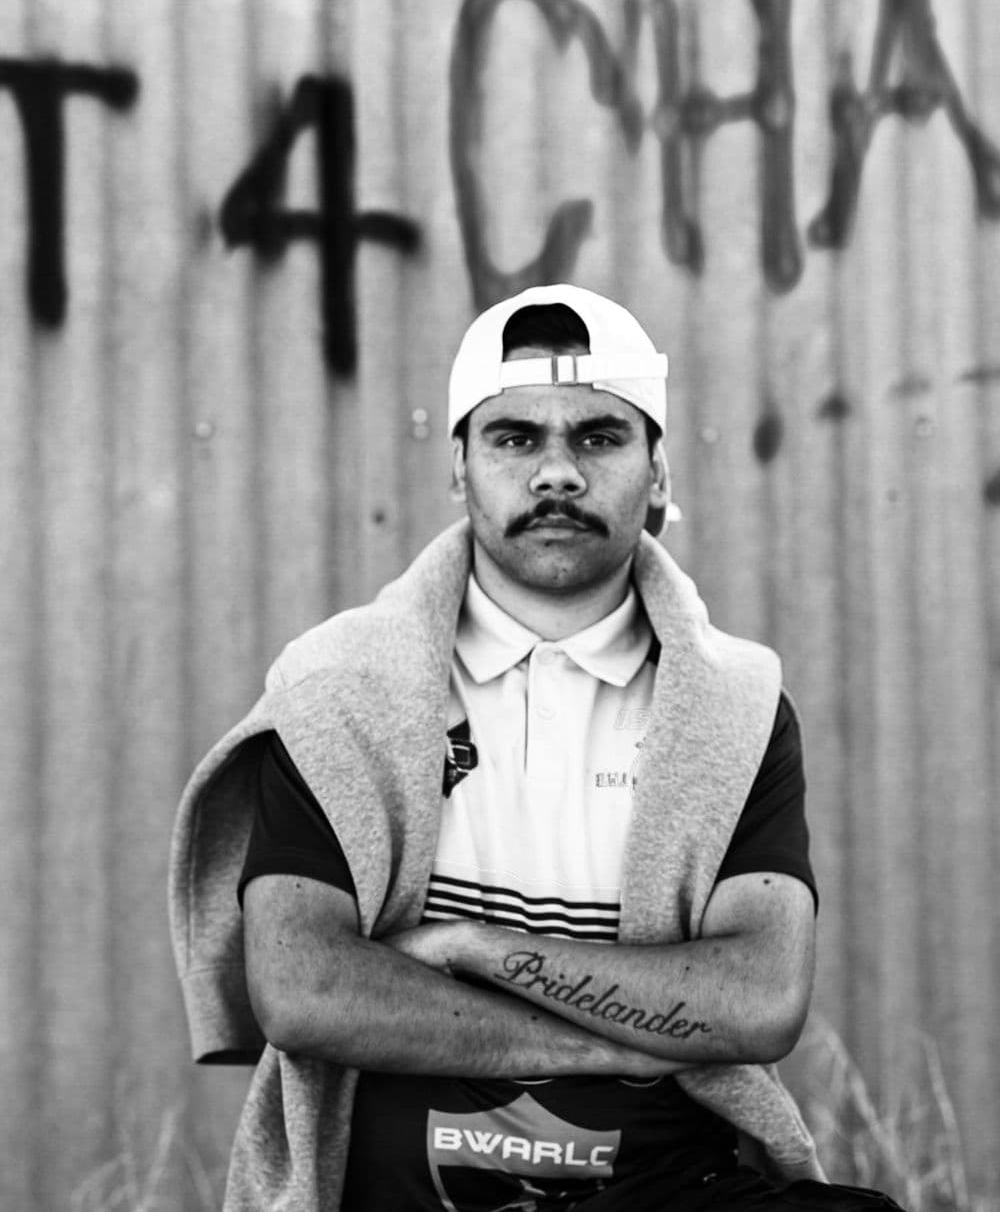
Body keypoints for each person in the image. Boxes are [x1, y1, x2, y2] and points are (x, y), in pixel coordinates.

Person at [169, 284, 903, 1211]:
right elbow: (304, 988)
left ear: (660, 474)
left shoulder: (737, 704)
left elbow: (758, 1000)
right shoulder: (337, 687)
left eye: (598, 437)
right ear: (460, 471)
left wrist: (469, 944)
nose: (556, 472)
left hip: (662, 1185)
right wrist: (609, 1041)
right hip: (396, 1186)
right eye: (516, 438)